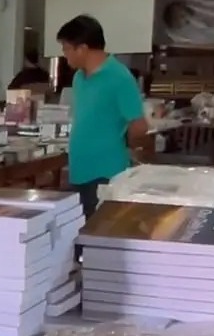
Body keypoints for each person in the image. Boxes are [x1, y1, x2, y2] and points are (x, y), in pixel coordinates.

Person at [56, 15, 148, 218]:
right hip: (79, 169)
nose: (64, 54)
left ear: (82, 48)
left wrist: (122, 145)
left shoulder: (119, 77)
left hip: (106, 172)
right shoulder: (79, 77)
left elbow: (139, 125)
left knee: (98, 227)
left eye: (66, 48)